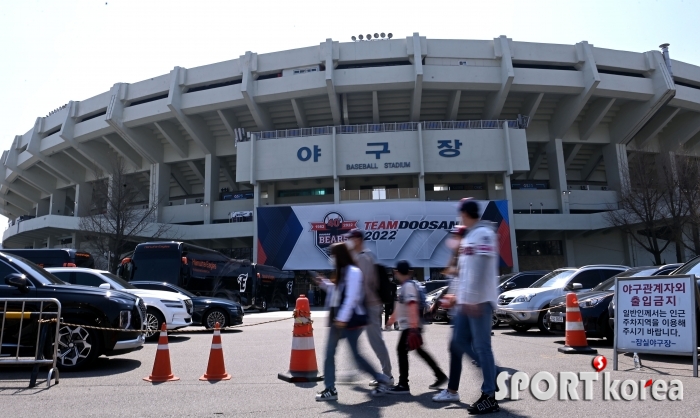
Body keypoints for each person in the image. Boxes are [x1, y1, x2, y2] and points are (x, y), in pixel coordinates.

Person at [433, 199, 500, 415]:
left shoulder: (484, 234)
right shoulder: (469, 236)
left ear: (465, 213)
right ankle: (491, 373)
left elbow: (480, 270)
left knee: (482, 347)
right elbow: (465, 271)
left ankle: (489, 394)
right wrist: (456, 295)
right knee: (458, 342)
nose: (458, 217)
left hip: (479, 301)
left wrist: (471, 299)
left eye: (460, 213)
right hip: (465, 301)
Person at [312, 242, 391, 401]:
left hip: (349, 321)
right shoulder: (341, 272)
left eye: (333, 255)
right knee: (329, 354)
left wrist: (342, 318)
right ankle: (330, 389)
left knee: (357, 357)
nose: (332, 258)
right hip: (338, 320)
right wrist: (324, 284)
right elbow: (337, 293)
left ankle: (381, 379)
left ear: (339, 256)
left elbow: (351, 298)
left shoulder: (353, 272)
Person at [386, 260, 447, 394]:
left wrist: (413, 328)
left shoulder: (408, 287)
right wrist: (391, 320)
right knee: (419, 350)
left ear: (396, 272)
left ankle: (403, 384)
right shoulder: (410, 285)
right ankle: (440, 375)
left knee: (401, 350)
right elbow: (402, 307)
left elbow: (412, 305)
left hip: (411, 325)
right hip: (413, 324)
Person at [345, 229, 394, 387]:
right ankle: (357, 370)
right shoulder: (357, 257)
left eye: (351, 238)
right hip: (362, 306)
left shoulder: (365, 257)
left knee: (375, 341)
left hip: (370, 305)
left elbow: (363, 284)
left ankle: (387, 375)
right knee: (352, 338)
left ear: (358, 240)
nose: (349, 242)